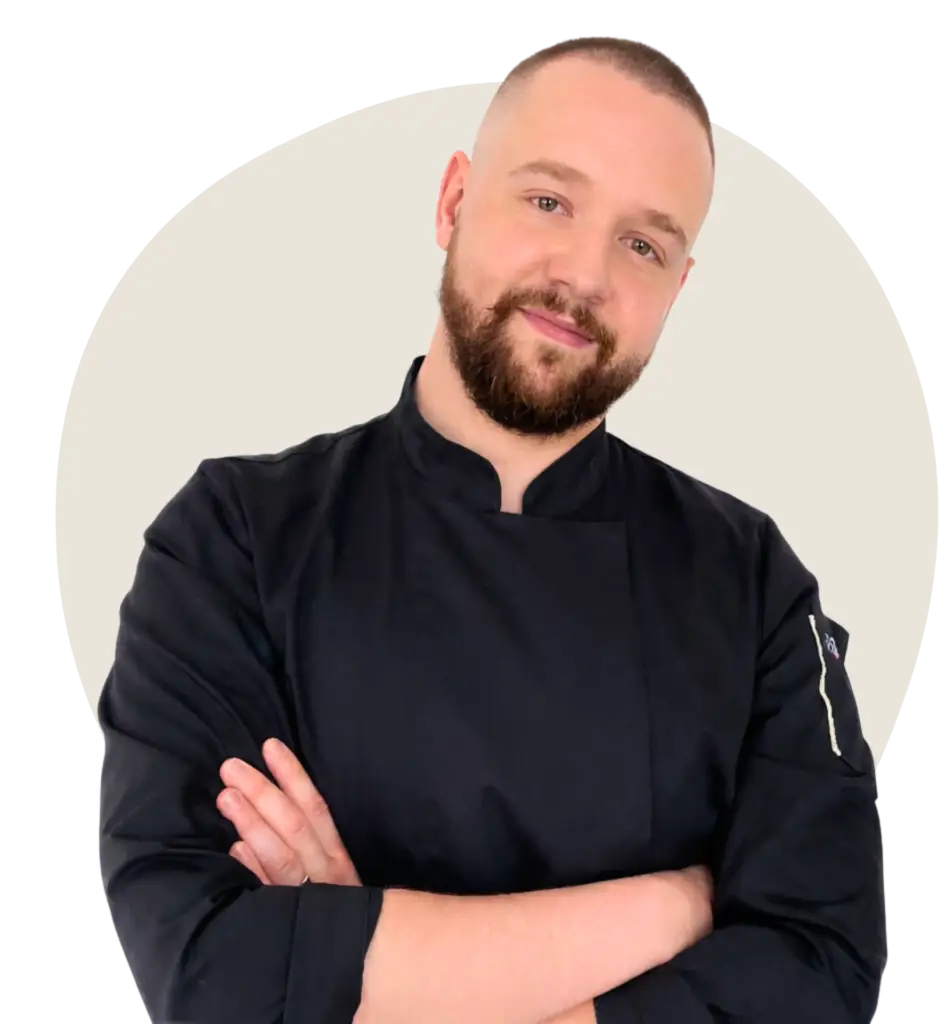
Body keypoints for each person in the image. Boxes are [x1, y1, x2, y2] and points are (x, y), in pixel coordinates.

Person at [96, 34, 885, 1024]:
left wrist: (361, 965)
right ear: (454, 201)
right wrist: (675, 907)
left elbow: (821, 974)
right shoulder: (233, 540)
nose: (584, 274)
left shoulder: (753, 583)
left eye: (643, 245)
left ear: (677, 289)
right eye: (549, 201)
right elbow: (207, 969)